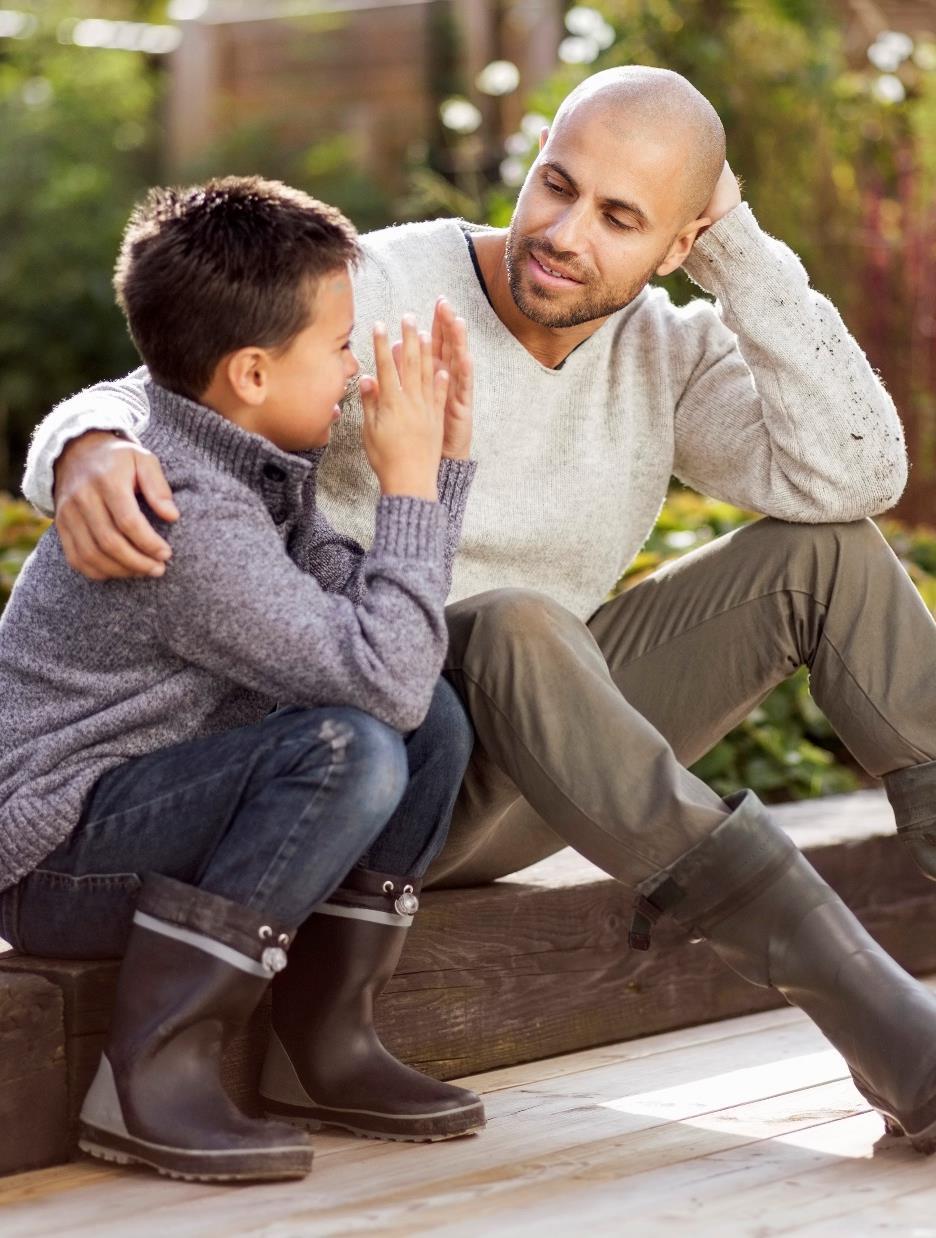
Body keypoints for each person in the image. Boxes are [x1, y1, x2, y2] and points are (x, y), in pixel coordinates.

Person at [22, 68, 936, 1152]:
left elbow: (860, 468)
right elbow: (193, 372)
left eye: (620, 217)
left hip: (555, 760)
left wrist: (742, 246)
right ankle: (899, 1040)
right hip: (378, 763)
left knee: (827, 555)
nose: (561, 232)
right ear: (535, 155)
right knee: (516, 622)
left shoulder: (670, 357)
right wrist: (84, 444)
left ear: (683, 246)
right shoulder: (392, 284)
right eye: (557, 183)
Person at [0, 175, 486, 1183]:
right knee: (347, 745)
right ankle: (150, 1070)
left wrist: (440, 468)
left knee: (434, 719)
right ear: (254, 372)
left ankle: (326, 1037)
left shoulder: (248, 460)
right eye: (343, 345)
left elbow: (390, 647)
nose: (359, 374)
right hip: (50, 858)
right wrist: (409, 485)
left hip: (150, 792)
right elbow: (376, 682)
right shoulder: (187, 513)